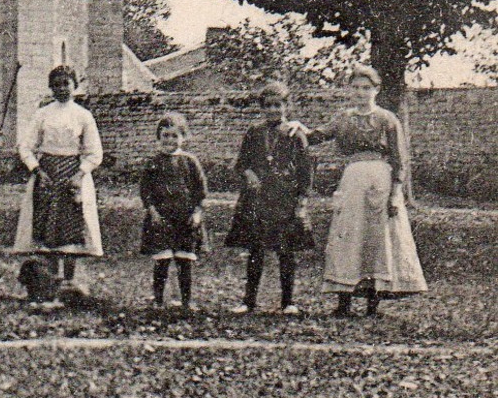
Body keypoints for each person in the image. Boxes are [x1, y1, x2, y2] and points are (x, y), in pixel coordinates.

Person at [309, 65, 426, 317]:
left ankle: (373, 305)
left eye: (366, 88)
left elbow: (399, 159)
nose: (361, 93)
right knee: (348, 235)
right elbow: (315, 136)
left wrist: (396, 192)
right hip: (353, 179)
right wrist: (295, 127)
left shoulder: (387, 119)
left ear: (376, 90)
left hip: (380, 180)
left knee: (377, 238)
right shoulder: (343, 118)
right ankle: (344, 304)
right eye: (356, 88)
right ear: (349, 90)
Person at [12, 65, 104, 309]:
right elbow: (26, 146)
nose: (62, 89)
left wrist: (80, 174)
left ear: (75, 86)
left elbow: (95, 153)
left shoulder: (83, 115)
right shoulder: (42, 114)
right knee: (48, 227)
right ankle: (49, 281)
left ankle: (69, 281)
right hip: (48, 174)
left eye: (67, 83)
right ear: (50, 87)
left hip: (72, 173)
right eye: (57, 84)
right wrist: (37, 170)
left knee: (70, 227)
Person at [224, 81, 315, 315]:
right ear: (262, 108)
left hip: (284, 199)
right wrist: (249, 174)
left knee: (286, 252)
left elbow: (306, 171)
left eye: (278, 105)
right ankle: (249, 300)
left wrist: (302, 201)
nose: (273, 110)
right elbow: (241, 163)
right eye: (268, 106)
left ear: (286, 106)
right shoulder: (254, 132)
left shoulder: (296, 135)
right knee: (256, 250)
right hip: (258, 200)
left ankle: (288, 302)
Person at [139, 112, 208, 312]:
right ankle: (158, 300)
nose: (170, 140)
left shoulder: (190, 161)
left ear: (183, 137)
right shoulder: (153, 162)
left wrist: (197, 212)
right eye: (165, 135)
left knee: (184, 262)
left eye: (174, 136)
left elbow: (200, 191)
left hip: (185, 219)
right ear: (159, 137)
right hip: (161, 219)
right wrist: (152, 211)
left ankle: (187, 301)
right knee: (162, 261)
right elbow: (146, 190)